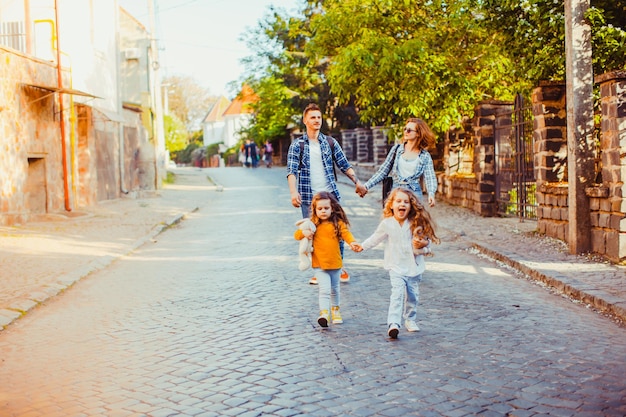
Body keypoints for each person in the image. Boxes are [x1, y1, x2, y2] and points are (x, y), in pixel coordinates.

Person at [287, 103, 363, 284]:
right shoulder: (298, 145)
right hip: (308, 197)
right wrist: (293, 192)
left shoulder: (329, 142)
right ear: (305, 120)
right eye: (312, 117)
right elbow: (291, 170)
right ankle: (318, 270)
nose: (316, 120)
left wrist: (357, 182)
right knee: (312, 234)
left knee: (337, 231)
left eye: (319, 117)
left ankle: (339, 267)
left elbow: (344, 164)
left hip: (331, 196)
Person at [360, 187, 439, 339]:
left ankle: (410, 319)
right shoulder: (387, 224)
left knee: (412, 296)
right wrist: (362, 246)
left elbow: (427, 246)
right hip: (395, 266)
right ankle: (393, 323)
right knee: (396, 294)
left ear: (411, 206)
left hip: (414, 267)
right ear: (391, 205)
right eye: (398, 201)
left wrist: (423, 247)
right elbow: (375, 238)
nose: (402, 204)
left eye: (406, 202)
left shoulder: (416, 223)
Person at [294, 191, 362, 328]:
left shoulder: (338, 224)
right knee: (324, 290)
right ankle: (324, 313)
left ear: (332, 208)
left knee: (335, 289)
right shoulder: (312, 224)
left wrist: (353, 243)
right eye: (320, 209)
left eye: (326, 208)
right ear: (315, 209)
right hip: (319, 264)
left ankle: (335, 310)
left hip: (335, 264)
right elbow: (297, 234)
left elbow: (346, 234)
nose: (323, 211)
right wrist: (304, 233)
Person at [356, 118, 437, 207]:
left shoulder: (424, 156)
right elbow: (383, 171)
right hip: (396, 193)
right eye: (405, 129)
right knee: (394, 220)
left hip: (415, 195)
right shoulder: (396, 150)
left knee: (415, 220)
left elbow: (430, 177)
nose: (406, 131)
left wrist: (431, 194)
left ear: (418, 133)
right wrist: (366, 186)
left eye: (409, 130)